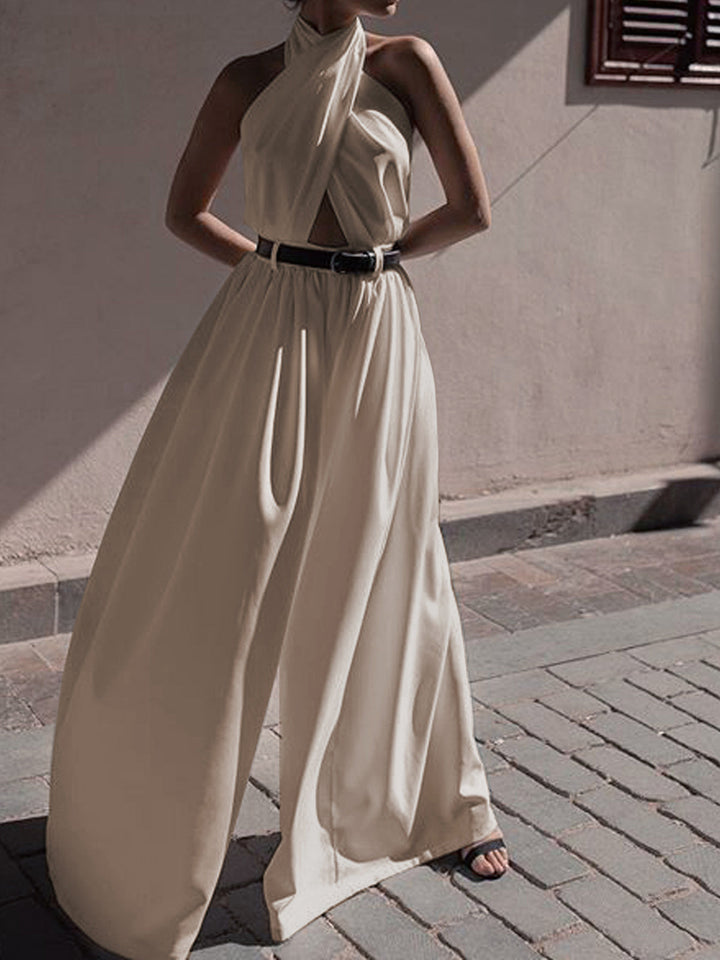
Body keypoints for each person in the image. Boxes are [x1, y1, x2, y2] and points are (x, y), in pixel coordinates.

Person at [45, 0, 510, 956]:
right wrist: (280, 266)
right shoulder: (246, 79)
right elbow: (185, 212)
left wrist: (373, 262)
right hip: (268, 329)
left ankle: (448, 802)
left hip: (377, 333)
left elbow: (471, 210)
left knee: (394, 558)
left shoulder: (409, 61)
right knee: (227, 560)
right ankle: (145, 818)